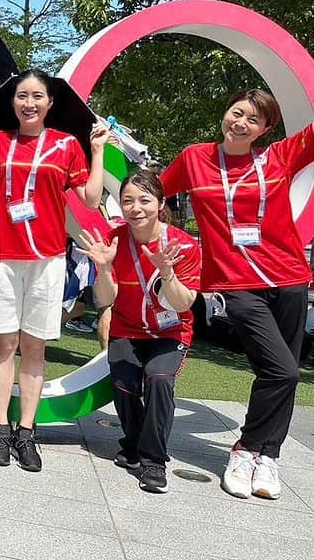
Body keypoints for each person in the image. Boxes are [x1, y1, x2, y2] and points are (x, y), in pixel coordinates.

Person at [160, 85, 314, 500]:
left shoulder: (277, 157)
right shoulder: (194, 158)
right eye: (237, 113)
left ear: (265, 129)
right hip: (234, 284)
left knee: (284, 373)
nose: (240, 123)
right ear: (226, 112)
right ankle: (246, 448)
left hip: (287, 278)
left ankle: (268, 457)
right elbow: (153, 192)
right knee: (283, 371)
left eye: (252, 120)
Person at [0, 69, 109, 470]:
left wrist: (98, 149)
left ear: (49, 103)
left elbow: (91, 200)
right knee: (4, 345)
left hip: (48, 260)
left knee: (34, 348)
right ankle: (0, 430)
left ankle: (27, 432)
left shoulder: (65, 145)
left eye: (37, 96)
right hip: (3, 257)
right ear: (13, 102)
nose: (29, 103)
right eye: (22, 96)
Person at [76, 170, 201, 493]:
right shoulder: (113, 239)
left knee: (159, 380)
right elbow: (105, 298)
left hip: (170, 333)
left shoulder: (182, 245)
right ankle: (132, 444)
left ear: (160, 204)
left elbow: (184, 303)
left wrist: (167, 273)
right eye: (128, 200)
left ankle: (153, 463)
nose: (135, 208)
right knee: (124, 383)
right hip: (128, 329)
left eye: (144, 200)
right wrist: (103, 268)